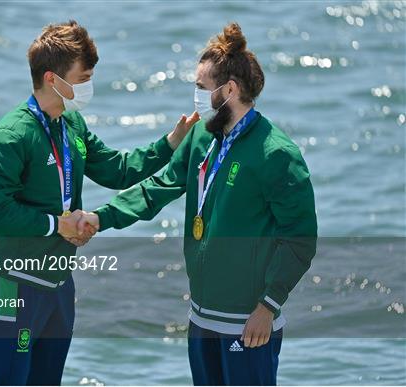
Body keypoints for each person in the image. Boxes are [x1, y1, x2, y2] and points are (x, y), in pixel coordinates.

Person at [77, 23, 318, 386]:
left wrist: (268, 307)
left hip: (247, 324)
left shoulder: (277, 154)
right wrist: (100, 217)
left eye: (202, 88)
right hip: (202, 320)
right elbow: (157, 188)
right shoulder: (201, 138)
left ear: (230, 90)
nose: (197, 96)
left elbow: (300, 240)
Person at [0, 20, 197, 385]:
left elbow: (116, 170)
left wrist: (170, 143)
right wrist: (55, 224)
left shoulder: (71, 124)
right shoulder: (9, 136)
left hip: (60, 283)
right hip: (13, 282)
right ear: (52, 79)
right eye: (84, 77)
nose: (89, 86)